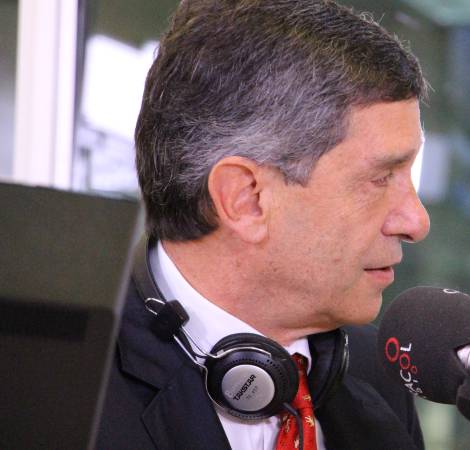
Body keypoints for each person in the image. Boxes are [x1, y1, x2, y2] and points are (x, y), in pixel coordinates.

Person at [96, 1, 430, 449]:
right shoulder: (52, 383)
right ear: (246, 199)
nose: (416, 221)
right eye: (380, 178)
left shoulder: (379, 374)